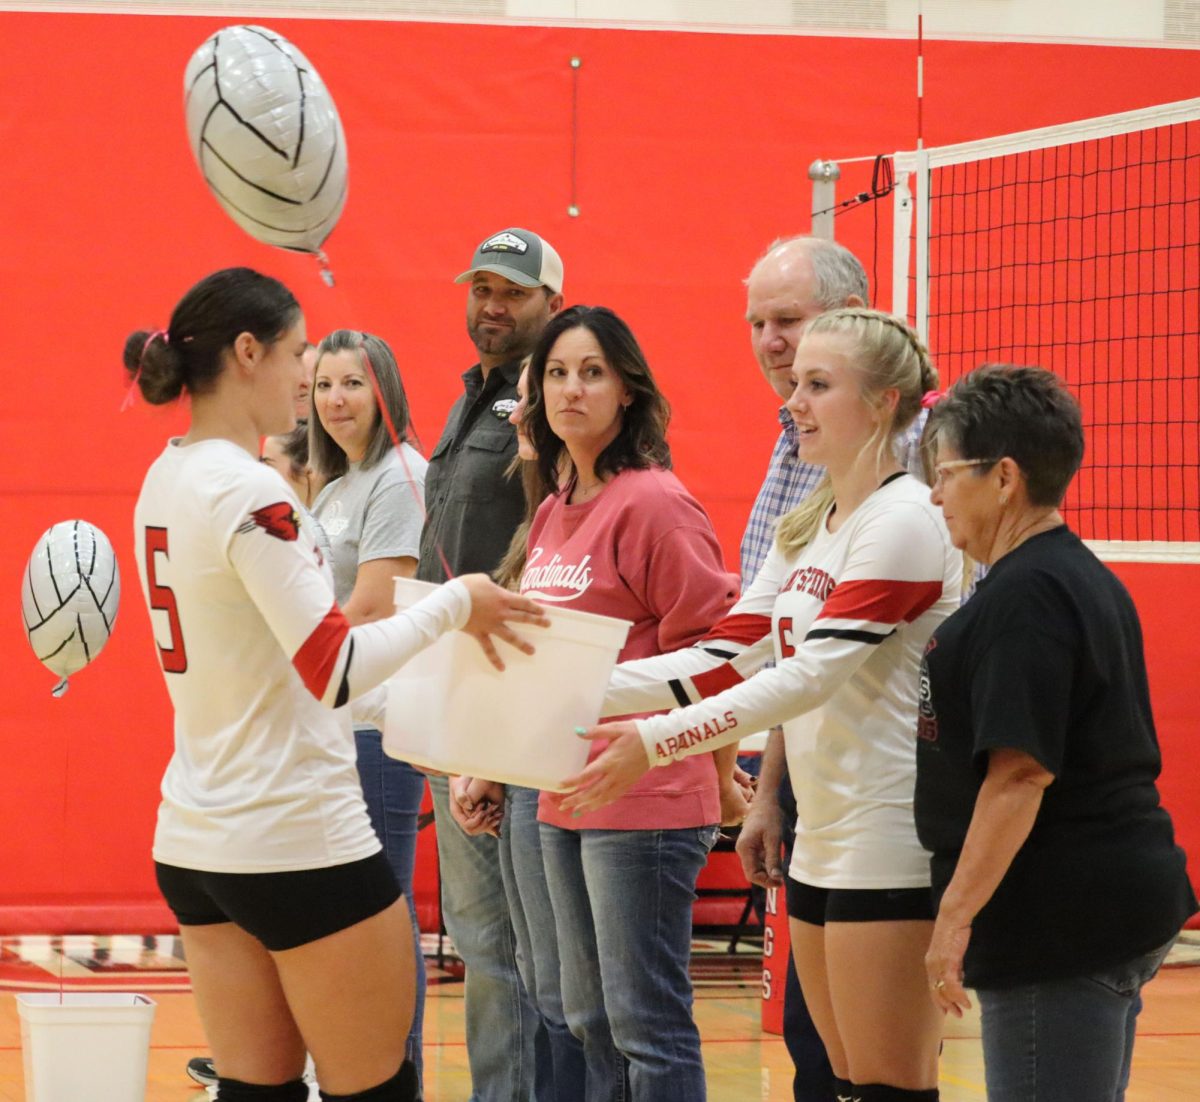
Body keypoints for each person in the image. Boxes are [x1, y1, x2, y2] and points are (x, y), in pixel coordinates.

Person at [126, 266, 547, 1102]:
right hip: (293, 836)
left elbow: (281, 668)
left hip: (194, 839)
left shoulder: (165, 474)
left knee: (257, 1089)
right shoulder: (250, 487)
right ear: (247, 354)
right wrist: (458, 601)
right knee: (376, 1088)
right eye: (294, 355)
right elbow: (333, 666)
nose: (305, 379)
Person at [563, 308, 961, 1102]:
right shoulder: (810, 525)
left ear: (884, 401)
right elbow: (719, 656)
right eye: (795, 385)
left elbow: (808, 677)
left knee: (889, 1088)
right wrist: (559, 690)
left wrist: (653, 742)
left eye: (819, 385)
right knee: (839, 1079)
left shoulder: (909, 522)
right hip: (821, 840)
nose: (794, 403)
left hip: (890, 840)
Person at [917, 364, 1198, 1102]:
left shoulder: (1028, 596)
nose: (935, 494)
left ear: (1003, 476)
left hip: (1059, 922)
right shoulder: (1071, 575)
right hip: (1103, 906)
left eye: (944, 473)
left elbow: (1021, 773)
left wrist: (952, 920)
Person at [515, 304, 737, 1102]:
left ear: (628, 390)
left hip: (648, 801)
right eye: (556, 373)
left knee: (645, 1021)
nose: (571, 389)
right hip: (562, 795)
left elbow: (715, 649)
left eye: (592, 372)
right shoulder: (551, 509)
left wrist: (720, 771)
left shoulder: (655, 502)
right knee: (589, 1019)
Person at [416, 227, 564, 1101]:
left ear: (551, 302)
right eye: (480, 289)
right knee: (481, 937)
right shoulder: (472, 397)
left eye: (510, 291)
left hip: (515, 702)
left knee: (519, 942)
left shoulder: (553, 400)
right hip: (452, 700)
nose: (491, 306)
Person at [737, 234, 870, 1101]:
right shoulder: (793, 445)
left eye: (788, 320)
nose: (769, 341)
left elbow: (820, 663)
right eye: (757, 323)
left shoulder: (902, 468)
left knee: (867, 1061)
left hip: (880, 805)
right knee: (811, 1047)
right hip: (806, 789)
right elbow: (763, 641)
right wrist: (766, 790)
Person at [448, 359, 588, 1098]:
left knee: (597, 1009)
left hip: (601, 784)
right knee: (545, 987)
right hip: (531, 776)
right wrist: (492, 762)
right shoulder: (546, 514)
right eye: (526, 398)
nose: (524, 415)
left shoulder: (632, 504)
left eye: (570, 381)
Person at [309, 329, 431, 1092]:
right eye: (323, 385)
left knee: (383, 914)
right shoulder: (333, 487)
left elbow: (371, 603)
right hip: (334, 725)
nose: (336, 400)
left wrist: (282, 652)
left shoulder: (400, 476)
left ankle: (398, 1075)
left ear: (383, 390)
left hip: (380, 730)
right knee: (348, 919)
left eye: (352, 383)